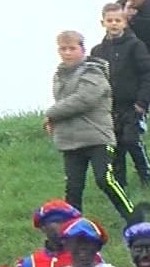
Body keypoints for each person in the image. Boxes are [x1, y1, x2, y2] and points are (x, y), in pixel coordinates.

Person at [48, 31, 136, 224]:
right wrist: (54, 120)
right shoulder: (59, 75)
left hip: (97, 137)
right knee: (73, 187)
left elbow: (83, 100)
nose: (68, 53)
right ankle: (71, 228)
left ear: (82, 49)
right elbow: (65, 104)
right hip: (70, 140)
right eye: (63, 49)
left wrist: (50, 113)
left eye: (72, 48)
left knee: (104, 179)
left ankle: (133, 217)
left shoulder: (93, 71)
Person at [91, 3, 150, 189]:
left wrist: (142, 102)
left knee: (131, 140)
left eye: (118, 20)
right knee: (115, 145)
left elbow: (146, 75)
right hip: (109, 107)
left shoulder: (135, 46)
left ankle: (146, 175)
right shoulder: (97, 52)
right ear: (102, 22)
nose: (114, 24)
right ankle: (120, 183)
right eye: (110, 20)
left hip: (132, 104)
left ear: (125, 22)